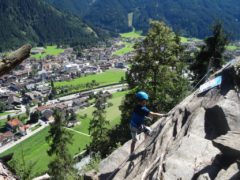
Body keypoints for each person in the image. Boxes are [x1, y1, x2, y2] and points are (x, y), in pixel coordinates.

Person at [130, 91, 165, 156]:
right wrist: (163, 115)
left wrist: (146, 118)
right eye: (145, 100)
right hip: (138, 126)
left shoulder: (136, 107)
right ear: (143, 101)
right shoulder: (143, 109)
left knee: (134, 140)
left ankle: (131, 154)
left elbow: (138, 115)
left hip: (132, 125)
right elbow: (152, 114)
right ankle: (146, 146)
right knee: (148, 130)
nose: (146, 102)